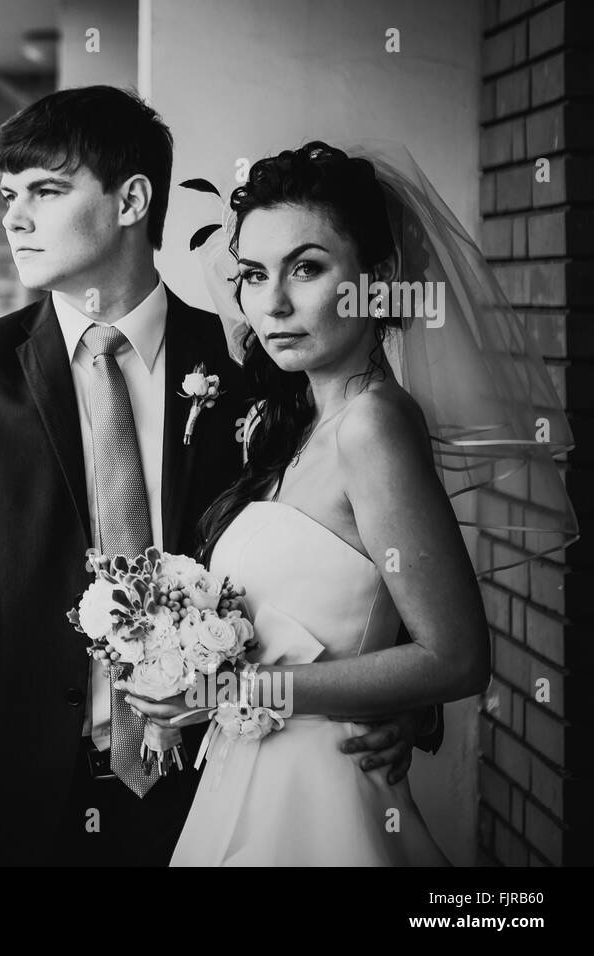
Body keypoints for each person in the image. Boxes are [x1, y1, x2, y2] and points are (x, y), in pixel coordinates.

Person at [0, 92, 431, 866]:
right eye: (9, 195)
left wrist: (400, 699)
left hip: (208, 791)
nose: (13, 218)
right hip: (7, 805)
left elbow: (344, 535)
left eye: (45, 190)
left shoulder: (250, 364)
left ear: (131, 199)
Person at [120, 141, 574, 865]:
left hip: (320, 797)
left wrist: (238, 686)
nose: (272, 303)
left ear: (380, 278)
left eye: (307, 268)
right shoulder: (293, 425)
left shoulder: (373, 424)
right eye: (254, 275)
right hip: (254, 778)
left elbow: (456, 656)